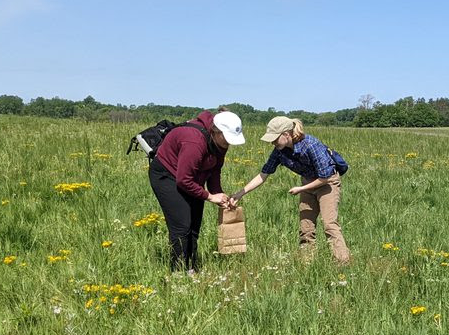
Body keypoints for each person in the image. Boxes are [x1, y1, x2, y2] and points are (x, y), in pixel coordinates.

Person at [232, 116, 351, 264]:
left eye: (275, 139)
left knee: (329, 224)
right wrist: (240, 193)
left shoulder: (311, 144)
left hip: (327, 184)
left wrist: (301, 188)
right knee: (306, 227)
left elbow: (325, 177)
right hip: (308, 183)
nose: (272, 143)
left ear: (286, 134)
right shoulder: (279, 151)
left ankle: (342, 263)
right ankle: (307, 263)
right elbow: (263, 175)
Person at [149, 110, 245, 271]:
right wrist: (209, 196)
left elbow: (214, 170)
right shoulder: (194, 141)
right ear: (216, 131)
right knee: (182, 226)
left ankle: (191, 268)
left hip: (191, 178)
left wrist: (218, 195)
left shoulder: (220, 142)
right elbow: (183, 180)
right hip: (168, 176)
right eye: (227, 138)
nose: (229, 143)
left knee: (194, 226)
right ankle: (178, 273)